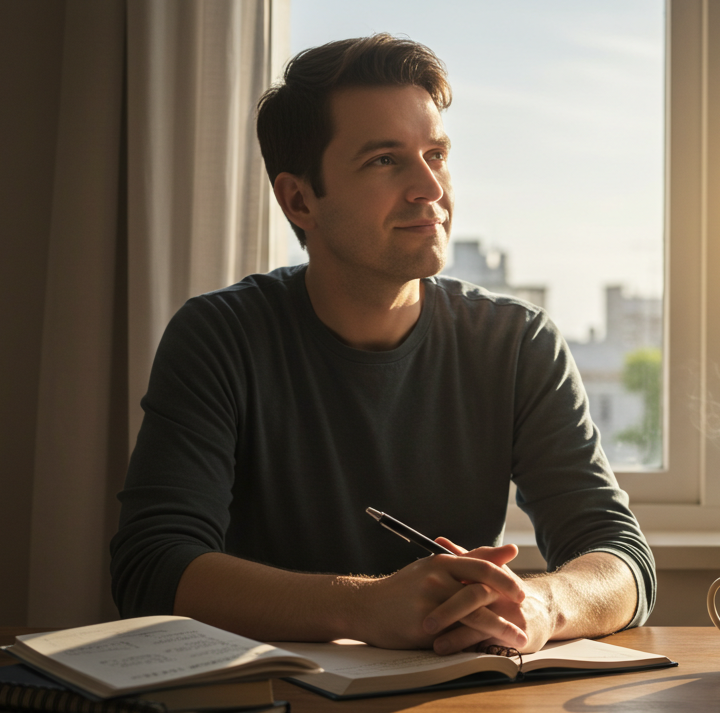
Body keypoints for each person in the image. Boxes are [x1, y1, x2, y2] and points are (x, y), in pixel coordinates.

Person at [109, 34, 655, 655]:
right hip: (264, 712)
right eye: (384, 161)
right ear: (300, 199)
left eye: (437, 154)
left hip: (454, 711)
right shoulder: (220, 337)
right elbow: (150, 570)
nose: (431, 189)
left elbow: (622, 559)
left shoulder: (518, 343)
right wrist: (366, 606)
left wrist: (541, 605)